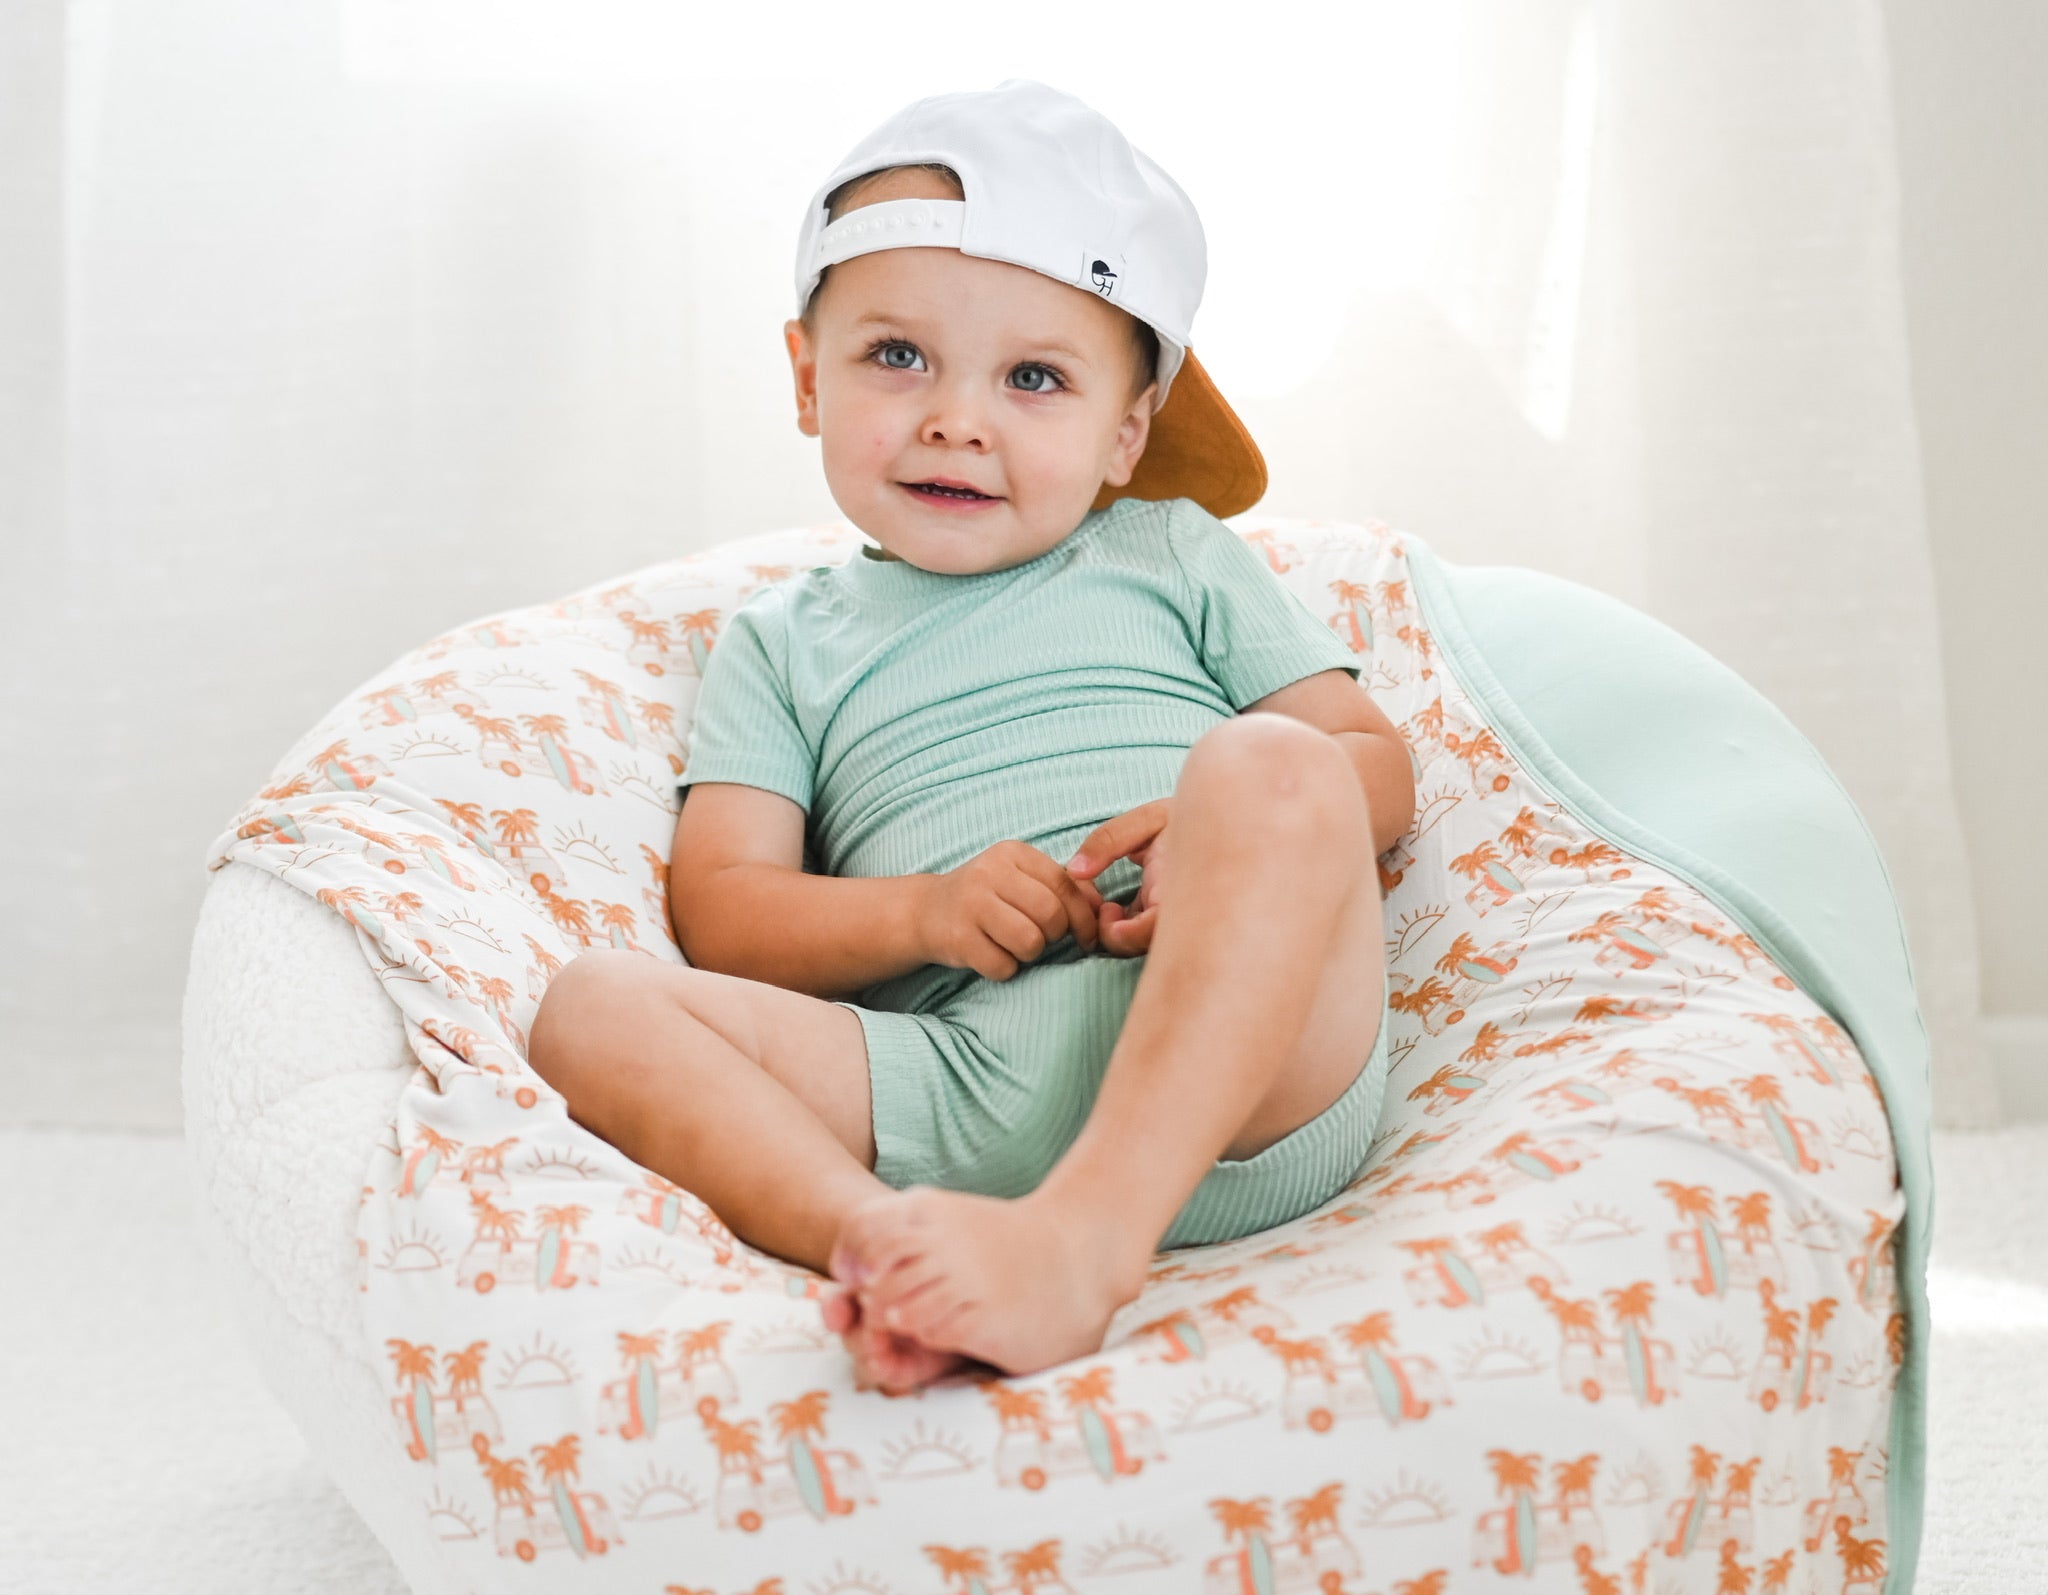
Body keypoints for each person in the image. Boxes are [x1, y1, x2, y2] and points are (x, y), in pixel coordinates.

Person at [526, 80, 1416, 1395]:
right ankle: (891, 1253)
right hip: (959, 1077)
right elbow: (724, 906)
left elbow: (1374, 768)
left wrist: (1210, 836)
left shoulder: (1170, 552)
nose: (957, 418)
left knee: (1275, 766)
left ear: (1127, 434)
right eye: (897, 357)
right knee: (590, 1010)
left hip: (1251, 1066)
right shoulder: (779, 643)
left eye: (1034, 379)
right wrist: (922, 916)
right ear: (806, 376)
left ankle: (1086, 1243)